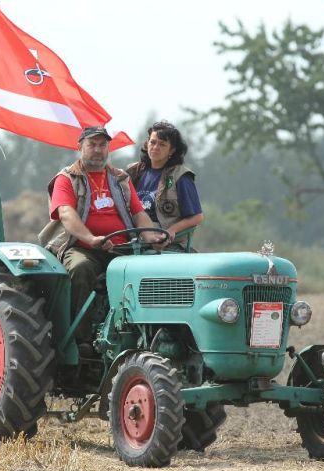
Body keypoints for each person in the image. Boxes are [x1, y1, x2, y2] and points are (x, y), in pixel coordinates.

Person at [39, 126, 162, 354]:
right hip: (81, 247)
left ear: (109, 148)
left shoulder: (120, 178)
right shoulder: (67, 179)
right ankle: (81, 341)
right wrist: (91, 238)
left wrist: (150, 235)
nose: (97, 150)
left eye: (102, 145)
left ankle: (151, 335)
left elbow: (138, 212)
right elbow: (66, 213)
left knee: (155, 267)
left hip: (122, 248)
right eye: (92, 144)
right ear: (80, 147)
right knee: (80, 267)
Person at [125, 121, 203, 247]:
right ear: (147, 143)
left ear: (171, 150)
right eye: (153, 142)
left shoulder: (181, 176)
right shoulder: (133, 171)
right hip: (132, 232)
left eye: (162, 144)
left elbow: (197, 217)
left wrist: (171, 230)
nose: (156, 147)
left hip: (161, 236)